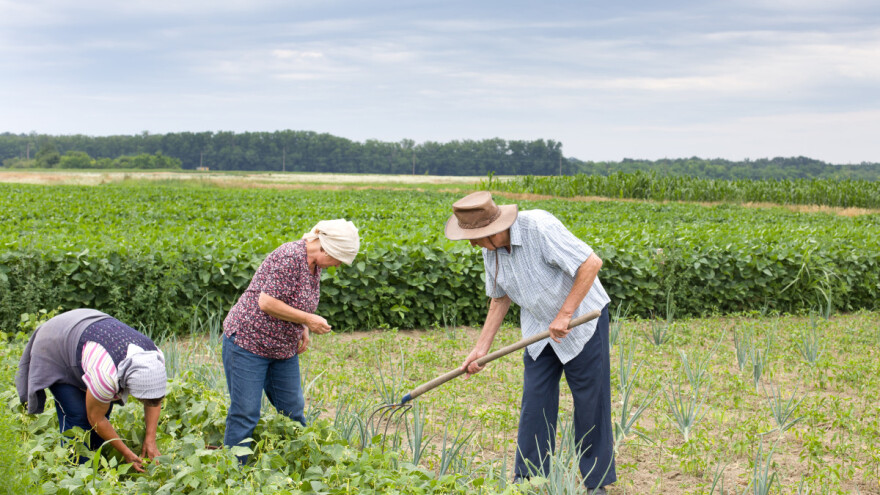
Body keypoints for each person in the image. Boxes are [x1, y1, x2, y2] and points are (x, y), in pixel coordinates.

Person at [446, 191, 615, 494]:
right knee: (535, 403)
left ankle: (596, 483)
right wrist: (481, 348)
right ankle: (529, 480)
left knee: (591, 402)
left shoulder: (539, 227)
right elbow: (499, 299)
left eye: (476, 237)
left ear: (495, 229)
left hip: (581, 322)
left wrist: (565, 314)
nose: (472, 244)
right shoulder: (490, 250)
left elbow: (591, 263)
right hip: (538, 329)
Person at [222, 219, 359, 463]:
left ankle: (297, 465)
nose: (337, 265)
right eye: (338, 259)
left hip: (282, 348)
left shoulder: (314, 264)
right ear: (326, 249)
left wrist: (302, 326)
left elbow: (294, 300)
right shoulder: (290, 256)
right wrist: (308, 318)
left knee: (293, 411)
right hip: (248, 342)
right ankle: (234, 472)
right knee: (246, 413)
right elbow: (267, 302)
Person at [15, 309, 167, 472]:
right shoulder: (106, 374)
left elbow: (153, 400)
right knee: (78, 414)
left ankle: (97, 464)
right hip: (56, 343)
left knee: (104, 407)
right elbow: (96, 418)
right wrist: (126, 453)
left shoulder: (155, 358)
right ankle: (76, 471)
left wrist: (150, 439)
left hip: (86, 330)